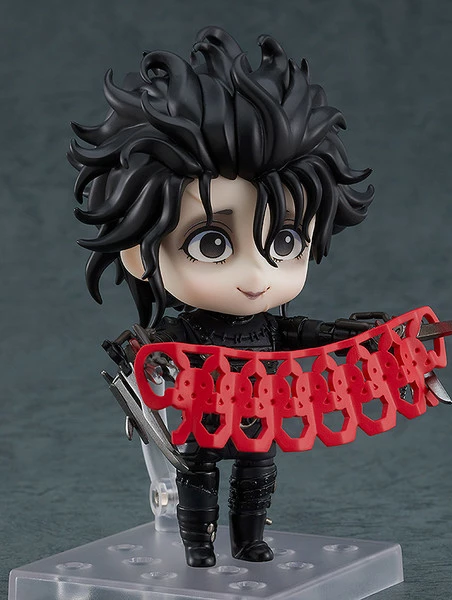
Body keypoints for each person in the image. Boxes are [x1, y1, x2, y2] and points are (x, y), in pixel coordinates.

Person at [69, 26, 374, 568]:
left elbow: (300, 333)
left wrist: (346, 334)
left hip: (258, 417)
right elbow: (156, 348)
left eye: (285, 241)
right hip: (202, 420)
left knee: (258, 474)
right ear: (139, 255)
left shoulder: (270, 328)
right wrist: (139, 352)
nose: (256, 274)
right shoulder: (187, 330)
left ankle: (250, 540)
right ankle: (198, 545)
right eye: (212, 244)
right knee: (198, 474)